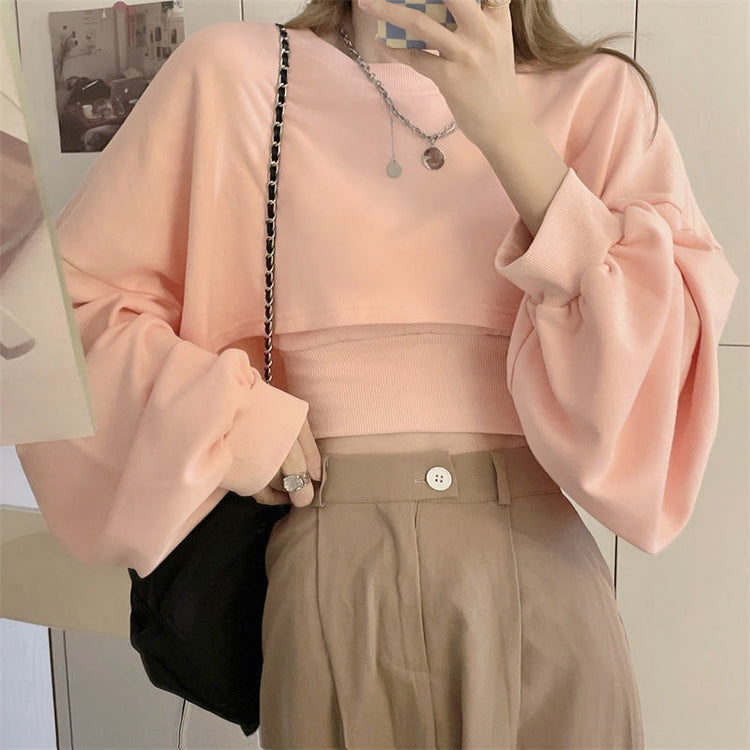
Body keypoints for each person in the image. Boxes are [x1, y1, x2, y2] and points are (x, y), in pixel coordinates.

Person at [15, 0, 740, 747]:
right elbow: (52, 328)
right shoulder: (233, 75)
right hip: (328, 571)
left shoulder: (600, 97)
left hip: (545, 590)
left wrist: (508, 131)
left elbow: (659, 384)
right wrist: (231, 420)